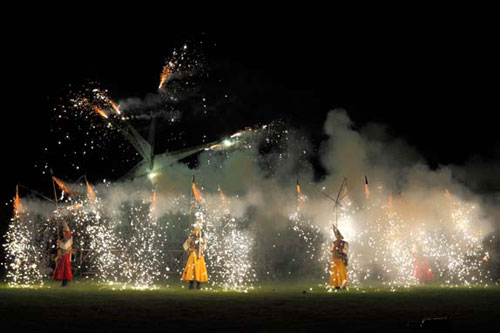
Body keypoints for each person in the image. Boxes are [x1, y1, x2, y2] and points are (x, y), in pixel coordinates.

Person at [53, 221, 73, 287]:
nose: (64, 234)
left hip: (66, 256)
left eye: (65, 233)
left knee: (66, 270)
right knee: (62, 270)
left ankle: (66, 283)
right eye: (63, 233)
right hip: (63, 256)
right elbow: (60, 248)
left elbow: (65, 247)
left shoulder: (69, 239)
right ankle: (64, 283)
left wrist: (59, 243)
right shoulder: (63, 240)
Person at [329, 225, 349, 290]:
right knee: (335, 272)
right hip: (335, 259)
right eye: (337, 236)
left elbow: (346, 251)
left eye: (339, 237)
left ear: (341, 237)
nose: (338, 238)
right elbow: (330, 250)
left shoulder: (345, 243)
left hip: (341, 259)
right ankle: (336, 284)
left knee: (341, 272)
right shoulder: (334, 243)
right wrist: (333, 250)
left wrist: (340, 250)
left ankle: (343, 284)